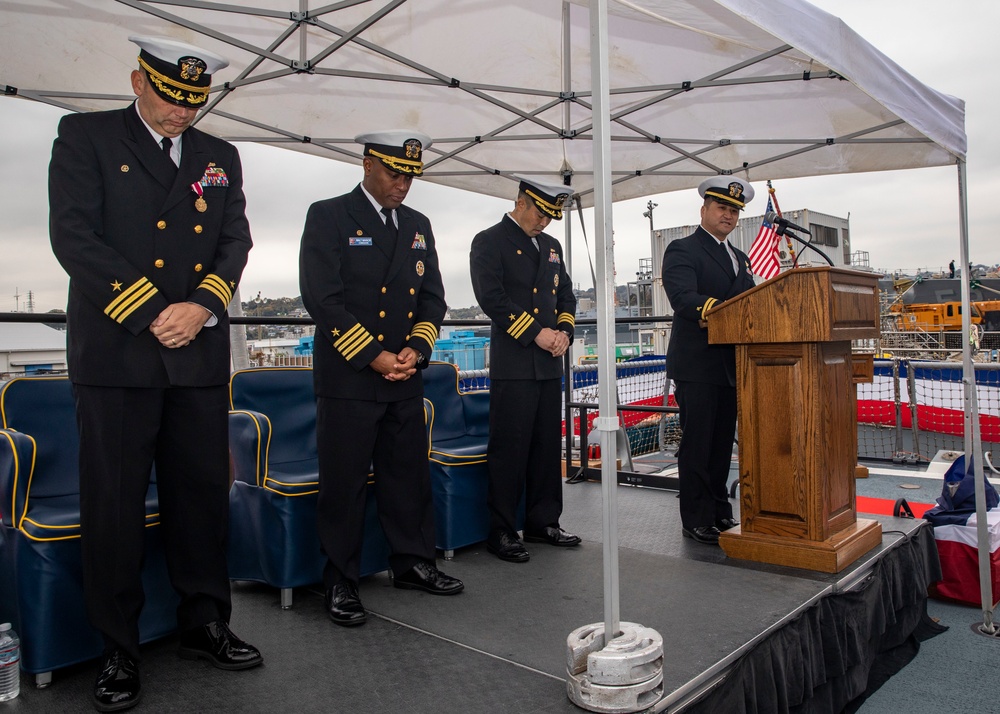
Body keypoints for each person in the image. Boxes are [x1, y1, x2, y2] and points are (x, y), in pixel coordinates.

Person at [48, 35, 261, 711]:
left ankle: (205, 621)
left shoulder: (219, 157)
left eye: (194, 101)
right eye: (172, 97)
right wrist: (152, 313)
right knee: (112, 506)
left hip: (196, 356)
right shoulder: (84, 137)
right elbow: (73, 235)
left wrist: (200, 307)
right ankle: (118, 645)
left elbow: (235, 242)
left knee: (201, 497)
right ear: (139, 80)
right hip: (118, 357)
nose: (181, 113)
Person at [299, 130, 463, 628]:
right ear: (367, 164)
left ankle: (412, 562)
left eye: (411, 174)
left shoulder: (418, 224)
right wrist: (373, 355)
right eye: (395, 173)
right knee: (344, 483)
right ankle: (340, 579)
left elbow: (433, 298)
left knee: (407, 477)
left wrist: (418, 346)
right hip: (351, 377)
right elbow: (322, 298)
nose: (404, 184)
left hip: (405, 374)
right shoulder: (327, 215)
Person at [470, 177, 581, 563]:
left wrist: (564, 332)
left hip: (550, 362)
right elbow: (491, 298)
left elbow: (565, 294)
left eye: (551, 216)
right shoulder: (489, 240)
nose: (545, 223)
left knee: (546, 447)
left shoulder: (552, 247)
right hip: (516, 361)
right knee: (509, 450)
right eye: (540, 213)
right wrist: (536, 333)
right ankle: (501, 530)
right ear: (520, 202)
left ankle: (543, 521)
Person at [661, 177, 757, 545]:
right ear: (704, 210)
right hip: (698, 364)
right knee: (698, 445)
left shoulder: (741, 258)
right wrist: (726, 312)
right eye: (722, 208)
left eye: (734, 210)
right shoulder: (683, 249)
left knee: (720, 445)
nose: (728, 215)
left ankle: (719, 510)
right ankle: (696, 517)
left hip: (731, 365)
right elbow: (684, 298)